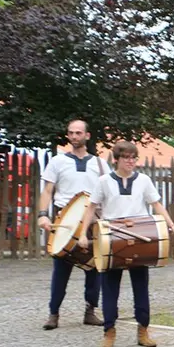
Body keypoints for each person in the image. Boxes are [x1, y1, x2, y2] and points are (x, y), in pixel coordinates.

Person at [77, 141, 174, 347]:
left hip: (140, 236)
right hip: (112, 237)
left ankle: (143, 330)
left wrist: (172, 226)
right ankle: (109, 331)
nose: (130, 161)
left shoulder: (143, 180)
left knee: (141, 287)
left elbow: (157, 204)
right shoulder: (104, 181)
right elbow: (91, 208)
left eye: (133, 157)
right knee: (109, 287)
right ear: (116, 159)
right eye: (126, 157)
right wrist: (82, 233)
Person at [38, 119, 106, 330]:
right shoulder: (58, 161)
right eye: (71, 133)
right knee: (61, 269)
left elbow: (106, 192)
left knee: (94, 268)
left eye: (78, 133)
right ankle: (54, 313)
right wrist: (42, 214)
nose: (74, 136)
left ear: (87, 136)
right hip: (64, 220)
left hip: (91, 220)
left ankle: (90, 311)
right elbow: (48, 190)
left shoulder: (100, 164)